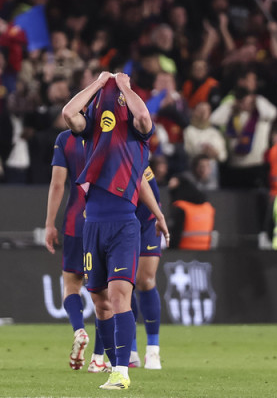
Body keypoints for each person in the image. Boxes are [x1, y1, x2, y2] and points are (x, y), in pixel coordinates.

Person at [62, 72, 168, 390]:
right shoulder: (90, 132)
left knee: (120, 294)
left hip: (124, 223)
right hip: (91, 222)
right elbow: (69, 113)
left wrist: (125, 87)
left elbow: (144, 114)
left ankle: (122, 371)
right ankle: (112, 366)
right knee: (100, 301)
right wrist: (97, 85)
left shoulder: (137, 135)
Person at [44, 127, 109, 373]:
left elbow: (58, 184)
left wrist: (50, 224)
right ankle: (98, 359)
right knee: (103, 297)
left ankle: (79, 329)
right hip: (107, 218)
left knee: (71, 285)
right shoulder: (111, 133)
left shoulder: (65, 138)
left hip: (76, 220)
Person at [130, 166, 165, 370]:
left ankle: (153, 350)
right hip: (121, 220)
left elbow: (154, 191)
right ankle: (131, 351)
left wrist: (158, 216)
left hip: (147, 220)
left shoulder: (139, 158)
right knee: (125, 283)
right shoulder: (101, 155)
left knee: (145, 280)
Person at [169, 175, 215, 250]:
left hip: (183, 250)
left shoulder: (181, 207)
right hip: (205, 250)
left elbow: (176, 235)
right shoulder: (208, 207)